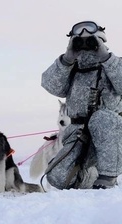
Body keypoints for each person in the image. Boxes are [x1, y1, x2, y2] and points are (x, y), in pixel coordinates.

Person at [41, 21, 122, 190]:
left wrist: (106, 57)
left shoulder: (114, 65)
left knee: (102, 118)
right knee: (56, 177)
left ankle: (108, 175)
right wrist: (67, 58)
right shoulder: (72, 69)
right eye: (80, 40)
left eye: (91, 40)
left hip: (111, 134)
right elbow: (50, 84)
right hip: (78, 134)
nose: (86, 45)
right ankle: (91, 176)